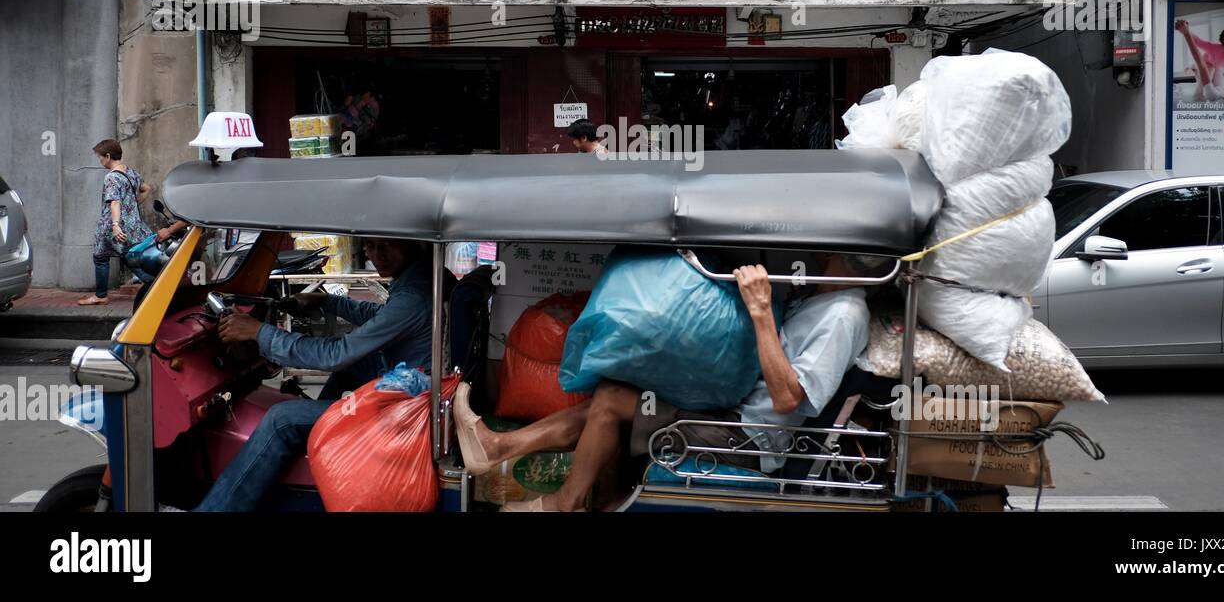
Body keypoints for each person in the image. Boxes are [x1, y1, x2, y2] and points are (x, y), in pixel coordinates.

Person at [453, 254, 872, 511]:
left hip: (747, 437)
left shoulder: (843, 314)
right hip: (732, 411)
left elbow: (787, 398)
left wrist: (760, 310)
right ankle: (499, 447)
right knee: (615, 391)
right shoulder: (822, 300)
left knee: (613, 400)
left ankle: (565, 502)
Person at [194, 237, 436, 512]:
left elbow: (334, 355)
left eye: (386, 245)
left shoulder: (414, 296)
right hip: (415, 386)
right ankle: (319, 439)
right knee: (355, 365)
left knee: (282, 419)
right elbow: (379, 316)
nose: (376, 254)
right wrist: (326, 301)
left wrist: (259, 332)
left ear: (413, 243)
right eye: (369, 245)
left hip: (407, 409)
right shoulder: (419, 282)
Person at [80, 139, 154, 306]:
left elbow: (114, 202)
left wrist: (115, 225)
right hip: (133, 224)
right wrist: (132, 207)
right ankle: (155, 284)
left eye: (100, 157)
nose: (100, 161)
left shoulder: (111, 177)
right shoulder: (132, 172)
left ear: (108, 156)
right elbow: (146, 188)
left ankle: (101, 295)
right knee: (129, 256)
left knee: (104, 257)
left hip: (112, 225)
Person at [1175, 19, 1224, 105]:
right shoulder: (1215, 49)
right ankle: (1192, 68)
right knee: (1209, 72)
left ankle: (1193, 68)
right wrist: (1186, 31)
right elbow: (1198, 42)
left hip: (1217, 66)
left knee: (1218, 83)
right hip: (1207, 63)